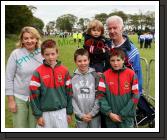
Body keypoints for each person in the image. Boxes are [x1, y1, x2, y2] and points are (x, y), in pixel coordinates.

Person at [29, 39, 73, 128]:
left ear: (57, 53)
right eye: (47, 54)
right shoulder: (38, 72)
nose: (50, 57)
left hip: (61, 112)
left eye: (53, 54)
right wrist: (38, 115)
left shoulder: (64, 71)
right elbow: (33, 96)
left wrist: (69, 112)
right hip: (45, 113)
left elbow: (69, 93)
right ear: (42, 55)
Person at [5, 26, 43, 128]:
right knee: (20, 127)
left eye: (32, 38)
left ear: (36, 39)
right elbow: (8, 78)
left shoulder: (43, 53)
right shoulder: (15, 54)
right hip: (19, 97)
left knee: (34, 127)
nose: (29, 41)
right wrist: (11, 100)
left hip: (37, 98)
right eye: (26, 38)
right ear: (22, 40)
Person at [97, 48, 139, 128]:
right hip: (110, 118)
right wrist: (109, 113)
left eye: (118, 60)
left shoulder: (131, 74)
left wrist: (123, 113)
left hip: (127, 117)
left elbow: (135, 96)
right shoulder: (104, 75)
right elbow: (100, 96)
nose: (115, 63)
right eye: (112, 60)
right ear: (109, 61)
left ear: (123, 60)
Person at [106, 15, 143, 96]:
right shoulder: (104, 46)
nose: (112, 31)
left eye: (115, 28)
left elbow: (137, 75)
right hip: (108, 94)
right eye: (109, 28)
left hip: (125, 95)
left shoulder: (132, 50)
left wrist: (137, 95)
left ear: (122, 28)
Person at [71, 48, 101, 128]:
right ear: (75, 62)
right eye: (79, 61)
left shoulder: (95, 76)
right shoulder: (72, 78)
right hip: (80, 117)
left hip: (95, 116)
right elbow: (72, 98)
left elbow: (99, 95)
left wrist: (92, 113)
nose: (83, 63)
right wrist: (80, 115)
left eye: (85, 60)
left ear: (89, 60)